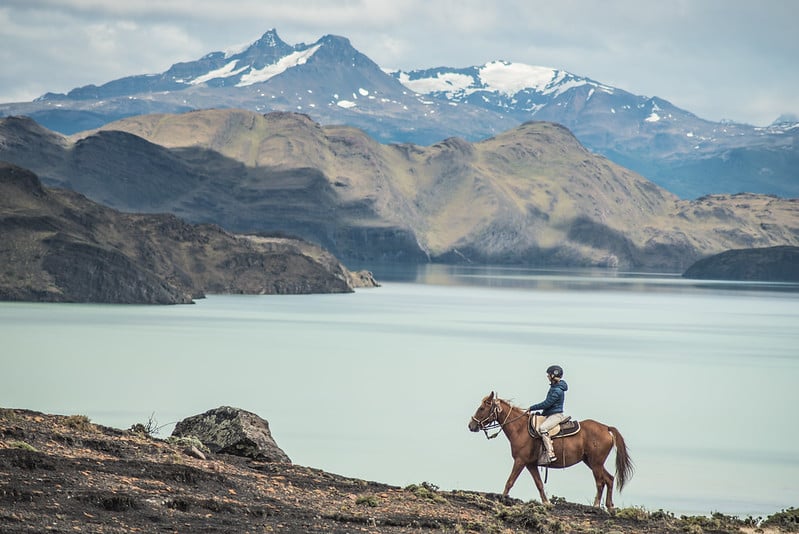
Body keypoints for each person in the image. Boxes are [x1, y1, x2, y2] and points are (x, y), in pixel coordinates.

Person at [528, 364, 568, 463]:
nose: (547, 376)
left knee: (543, 428)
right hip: (549, 414)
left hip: (556, 415)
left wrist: (532, 408)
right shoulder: (555, 387)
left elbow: (547, 404)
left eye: (549, 375)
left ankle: (551, 454)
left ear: (553, 376)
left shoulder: (557, 390)